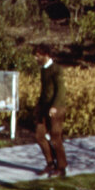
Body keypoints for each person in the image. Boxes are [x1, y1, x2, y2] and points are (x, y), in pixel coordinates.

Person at [32, 47, 68, 178]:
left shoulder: (56, 69)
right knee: (39, 135)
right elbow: (45, 92)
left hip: (56, 109)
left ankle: (62, 167)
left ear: (45, 55)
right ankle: (50, 163)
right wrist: (38, 107)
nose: (35, 58)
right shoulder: (44, 70)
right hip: (44, 109)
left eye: (37, 56)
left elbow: (61, 91)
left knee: (55, 137)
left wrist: (55, 107)